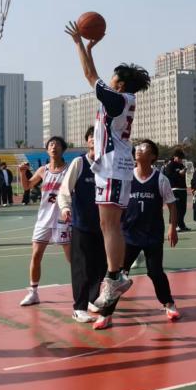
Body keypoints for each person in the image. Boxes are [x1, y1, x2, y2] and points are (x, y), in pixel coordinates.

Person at [66, 21, 152, 313]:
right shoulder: (123, 99)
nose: (110, 79)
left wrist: (78, 43)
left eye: (114, 77)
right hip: (116, 166)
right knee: (108, 225)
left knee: (110, 225)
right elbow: (96, 77)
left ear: (121, 84)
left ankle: (114, 277)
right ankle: (116, 276)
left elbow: (90, 76)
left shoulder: (117, 100)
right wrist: (90, 50)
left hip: (113, 166)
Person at [94, 139, 180, 329]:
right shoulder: (126, 178)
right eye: (138, 147)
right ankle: (106, 314)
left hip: (152, 234)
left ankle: (168, 303)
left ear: (153, 156)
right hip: (128, 235)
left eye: (144, 148)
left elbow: (172, 205)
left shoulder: (160, 179)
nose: (139, 150)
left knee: (155, 272)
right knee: (117, 276)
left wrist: (172, 227)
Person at [17, 137, 72, 307]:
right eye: (51, 145)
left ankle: (87, 288)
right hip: (43, 219)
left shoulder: (69, 170)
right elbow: (27, 186)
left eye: (57, 145)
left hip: (63, 218)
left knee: (72, 258)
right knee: (36, 255)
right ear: (47, 150)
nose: (53, 147)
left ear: (63, 149)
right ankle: (33, 293)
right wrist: (22, 173)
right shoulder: (43, 170)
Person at [59, 127, 105, 325]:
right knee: (82, 268)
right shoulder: (79, 163)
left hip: (104, 225)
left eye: (98, 137)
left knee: (101, 265)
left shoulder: (107, 164)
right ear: (87, 141)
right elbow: (64, 189)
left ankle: (92, 298)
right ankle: (79, 308)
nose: (94, 139)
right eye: (91, 137)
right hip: (82, 223)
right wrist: (65, 208)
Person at [162, 149, 191, 232]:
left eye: (182, 158)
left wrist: (184, 171)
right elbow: (168, 176)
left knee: (183, 209)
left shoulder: (181, 165)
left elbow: (182, 174)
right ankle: (174, 225)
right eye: (179, 158)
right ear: (175, 157)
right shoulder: (170, 165)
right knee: (176, 209)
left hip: (183, 189)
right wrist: (179, 173)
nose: (181, 160)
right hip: (175, 189)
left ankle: (181, 225)